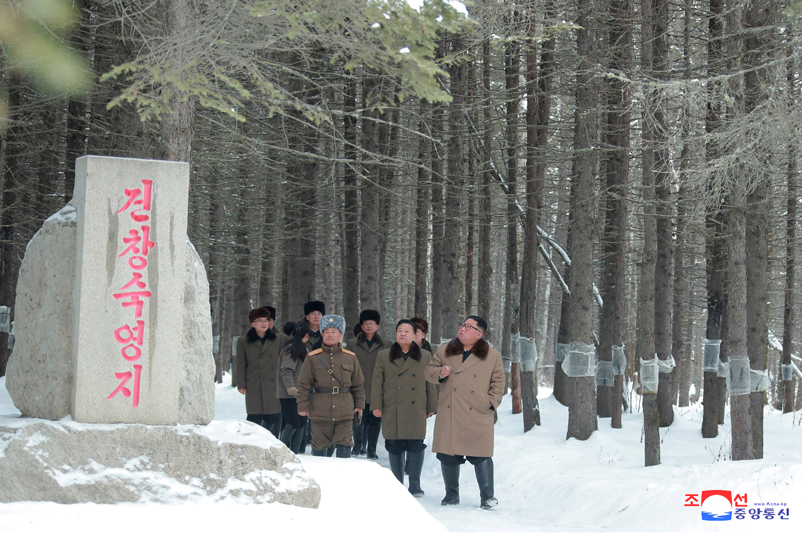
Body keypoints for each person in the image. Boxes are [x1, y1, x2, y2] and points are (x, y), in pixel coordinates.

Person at [424, 315, 504, 509]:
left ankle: (487, 497)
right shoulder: (445, 350)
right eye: (463, 325)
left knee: (481, 454)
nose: (462, 329)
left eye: (468, 327)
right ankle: (451, 495)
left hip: (478, 412)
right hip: (451, 410)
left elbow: (499, 382)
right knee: (448, 454)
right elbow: (428, 372)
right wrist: (439, 373)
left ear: (479, 334)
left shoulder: (492, 355)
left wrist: (491, 402)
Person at [372, 320, 436, 497]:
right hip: (392, 406)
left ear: (415, 335)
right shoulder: (384, 355)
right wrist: (376, 405)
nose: (402, 333)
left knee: (416, 445)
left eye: (407, 331)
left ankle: (415, 485)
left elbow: (430, 384)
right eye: (400, 330)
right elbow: (377, 383)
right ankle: (397, 484)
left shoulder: (425, 355)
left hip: (417, 407)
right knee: (394, 445)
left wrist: (432, 405)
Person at [297, 314, 365, 458]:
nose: (330, 335)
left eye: (334, 331)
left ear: (340, 335)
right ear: (322, 334)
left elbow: (358, 385)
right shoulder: (312, 357)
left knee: (345, 446)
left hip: (345, 411)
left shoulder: (350, 357)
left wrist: (359, 406)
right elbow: (304, 384)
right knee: (319, 448)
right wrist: (302, 405)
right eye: (326, 332)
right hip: (320, 411)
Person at [235, 307, 288, 439]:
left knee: (274, 417)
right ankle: (252, 443)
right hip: (254, 384)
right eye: (260, 321)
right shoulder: (243, 341)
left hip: (273, 384)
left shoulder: (280, 338)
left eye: (266, 320)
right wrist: (241, 384)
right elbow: (241, 364)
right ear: (253, 324)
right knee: (254, 418)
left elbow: (288, 359)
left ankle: (271, 443)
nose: (264, 323)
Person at [348, 309, 386, 459]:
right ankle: (357, 446)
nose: (369, 326)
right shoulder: (352, 344)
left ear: (377, 326)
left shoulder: (386, 345)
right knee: (358, 418)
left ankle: (372, 449)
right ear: (361, 326)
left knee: (375, 420)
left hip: (377, 388)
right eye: (366, 323)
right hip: (358, 387)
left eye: (372, 323)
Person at [277, 322, 312, 453]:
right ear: (307, 335)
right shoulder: (290, 349)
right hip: (289, 394)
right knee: (293, 422)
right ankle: (279, 450)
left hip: (301, 393)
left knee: (301, 423)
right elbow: (286, 369)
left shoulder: (303, 348)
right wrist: (290, 386)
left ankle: (296, 452)